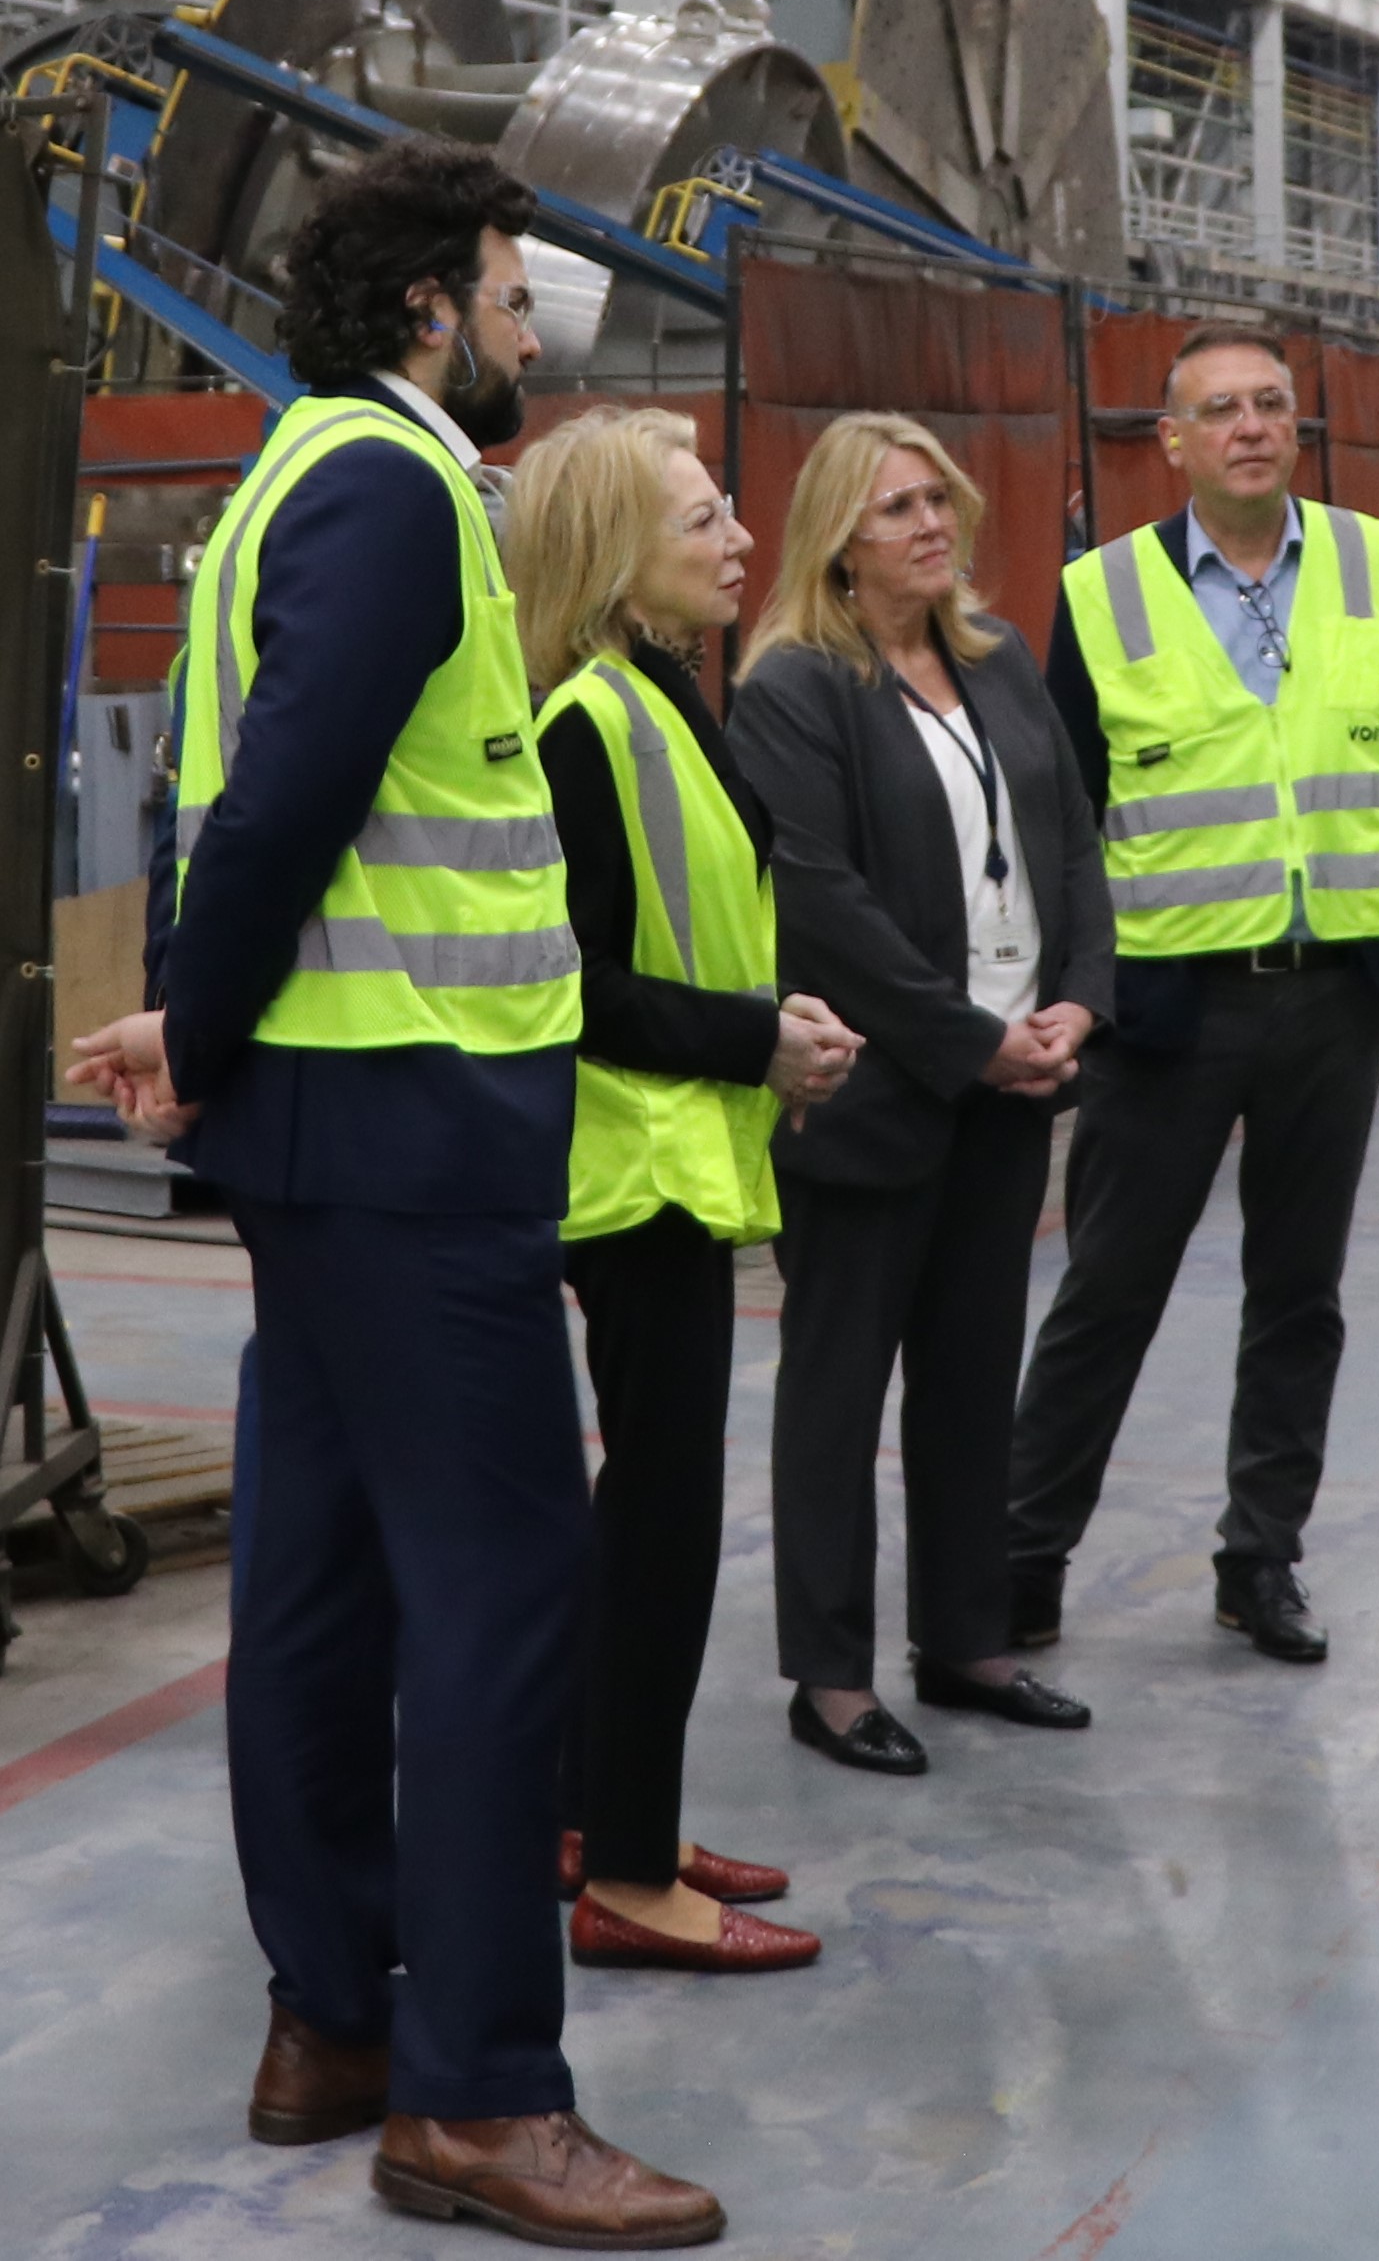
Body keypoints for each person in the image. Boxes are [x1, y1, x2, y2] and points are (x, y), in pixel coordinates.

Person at [71, 138, 722, 2244]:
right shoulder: (393, 487)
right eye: (518, 294)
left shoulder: (305, 475)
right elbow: (276, 808)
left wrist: (198, 1030)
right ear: (438, 306)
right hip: (408, 1138)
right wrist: (207, 1029)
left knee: (330, 1586)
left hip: (347, 1134)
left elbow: (238, 807)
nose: (535, 332)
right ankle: (478, 2093)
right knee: (503, 1594)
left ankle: (334, 2016)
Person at [1006, 322, 1379, 1664]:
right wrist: (1085, 996)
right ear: (1175, 442)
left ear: (1295, 427)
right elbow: (1063, 819)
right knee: (1109, 1290)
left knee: (1300, 1292)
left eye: (1273, 404)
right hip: (1166, 1010)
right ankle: (1023, 1560)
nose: (1254, 426)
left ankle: (1261, 1561)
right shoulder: (1104, 595)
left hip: (1334, 1001)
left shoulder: (1377, 563)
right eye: (1223, 410)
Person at [504, 406, 857, 1974]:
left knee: (645, 1515)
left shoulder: (659, 699)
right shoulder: (589, 723)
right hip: (630, 1166)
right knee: (660, 1528)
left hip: (681, 1150)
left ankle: (598, 1814)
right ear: (615, 560)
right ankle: (630, 1880)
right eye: (702, 520)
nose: (737, 541)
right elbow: (571, 988)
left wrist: (768, 1031)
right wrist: (755, 1040)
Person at [727, 412, 1112, 1775]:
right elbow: (820, 907)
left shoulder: (998, 664)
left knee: (969, 1379)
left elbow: (1071, 840)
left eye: (937, 500)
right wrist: (968, 1037)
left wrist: (1078, 997)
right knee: (837, 1389)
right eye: (896, 509)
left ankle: (966, 1641)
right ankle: (828, 1675)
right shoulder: (794, 688)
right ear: (839, 542)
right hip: (875, 1094)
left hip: (1007, 1086)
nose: (931, 525)